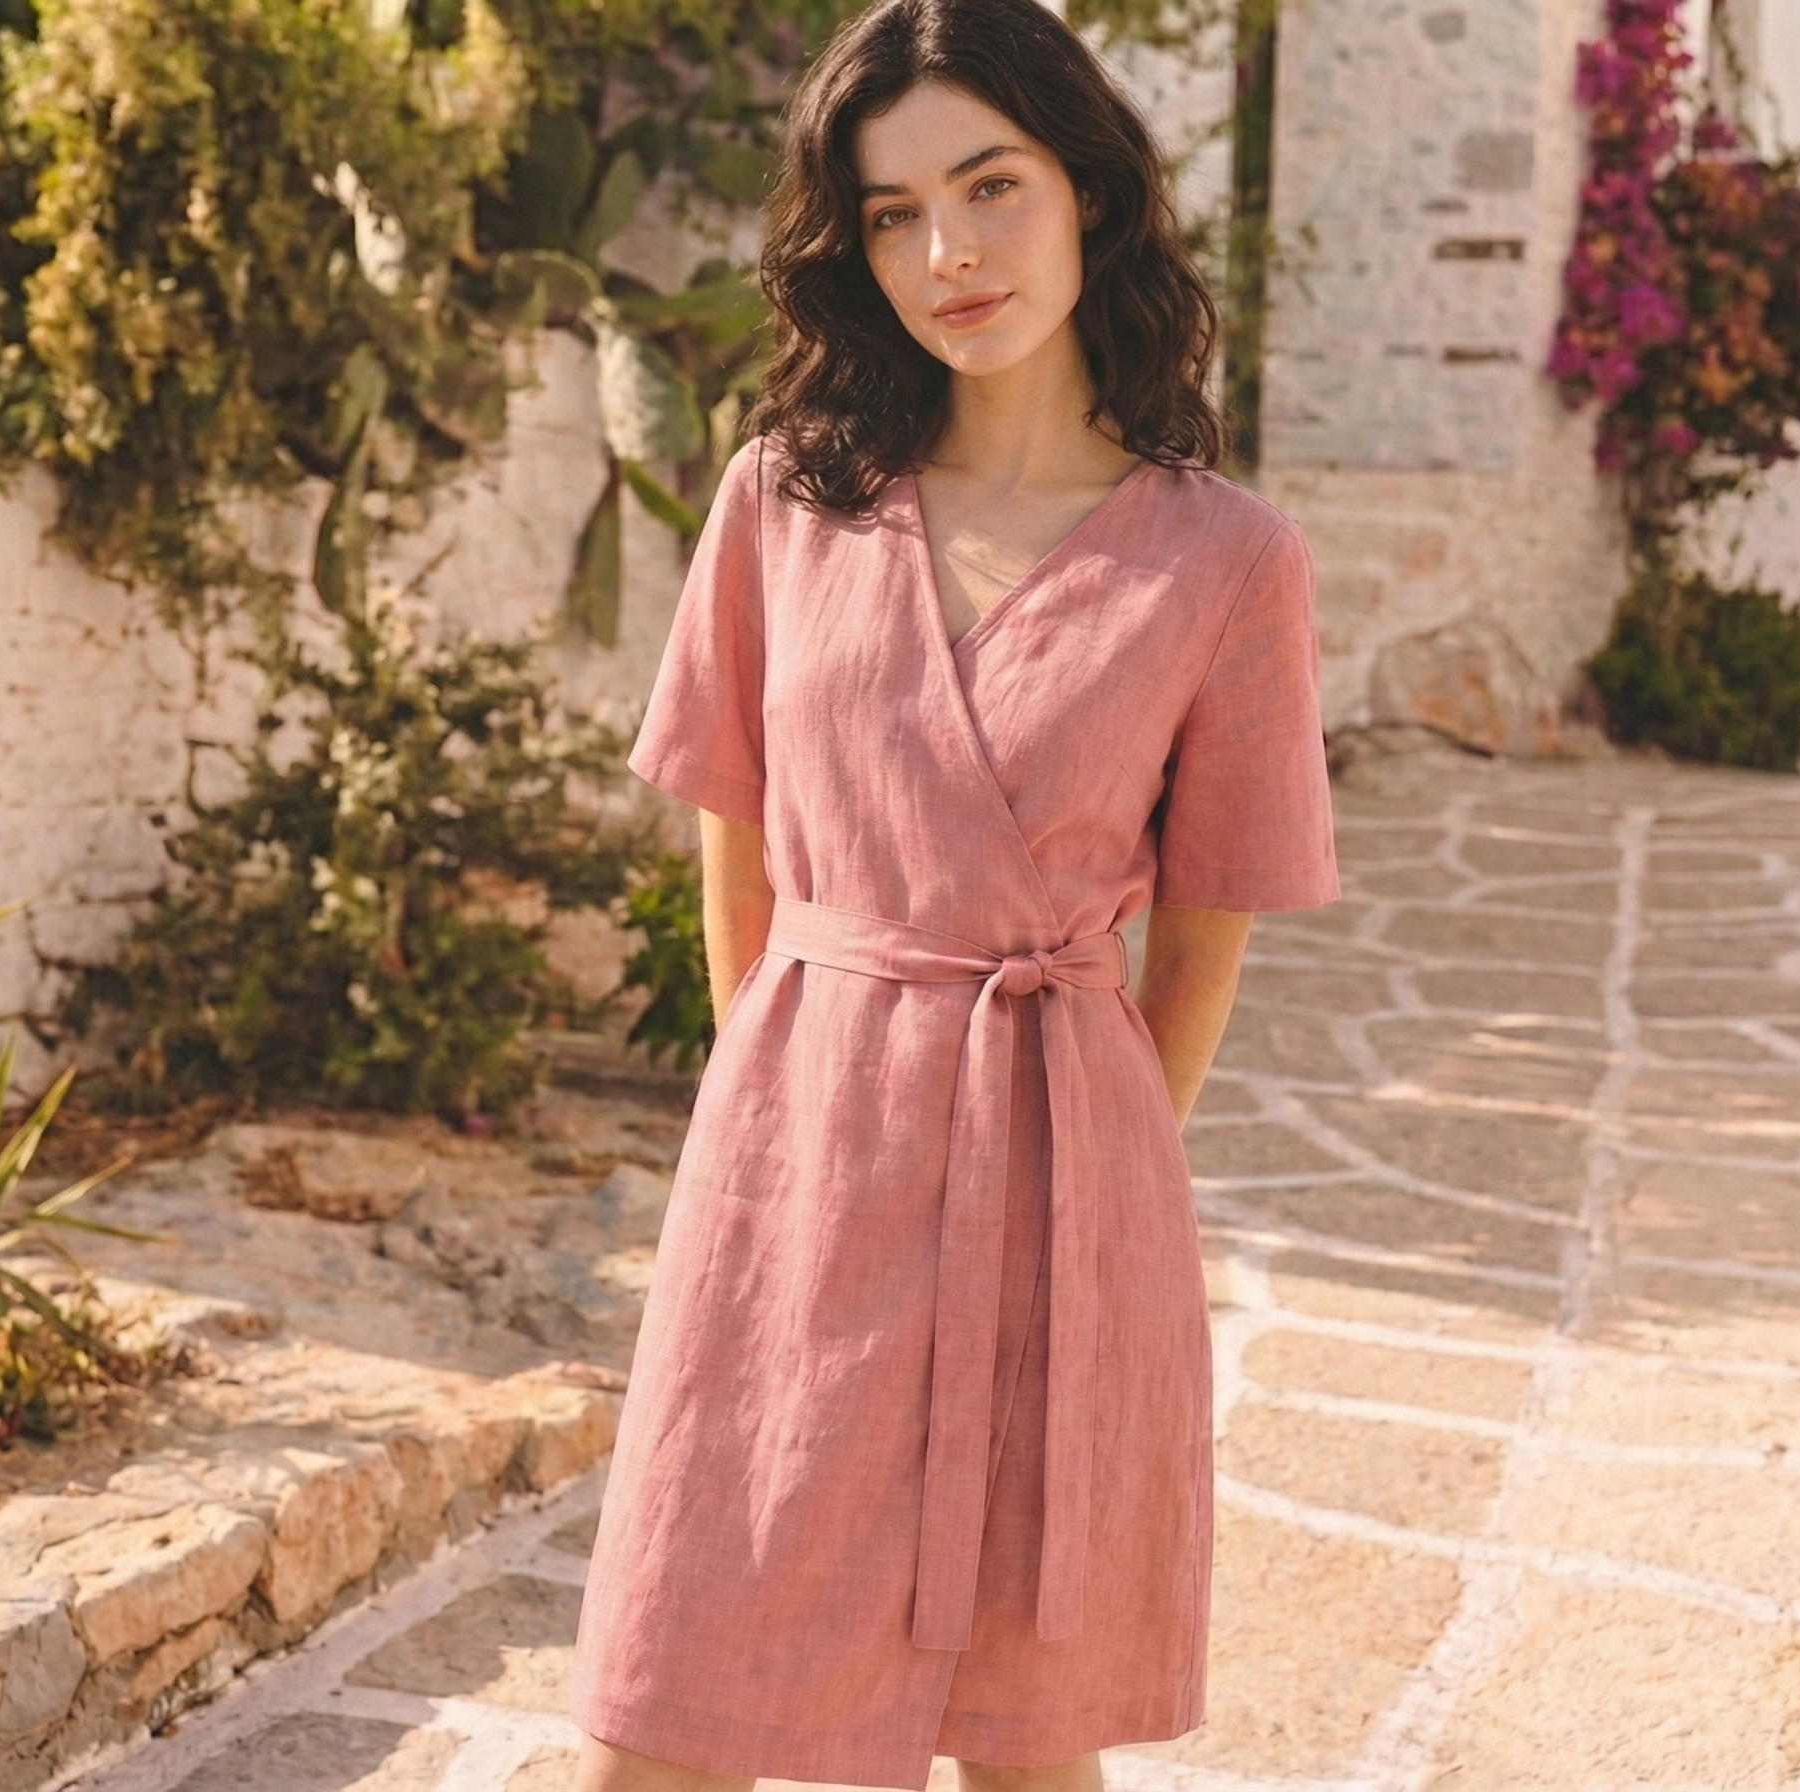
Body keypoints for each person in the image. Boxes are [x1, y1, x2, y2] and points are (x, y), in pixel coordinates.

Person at [570, 0, 1338, 1787]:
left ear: (1089, 188)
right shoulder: (783, 502)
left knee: (1021, 1739)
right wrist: (796, 1128)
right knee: (664, 1708)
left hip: (1065, 1167)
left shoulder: (1229, 562)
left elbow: (1199, 950)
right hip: (796, 1159)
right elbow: (738, 883)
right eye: (895, 214)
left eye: (990, 187)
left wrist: (1086, 1172)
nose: (949, 254)